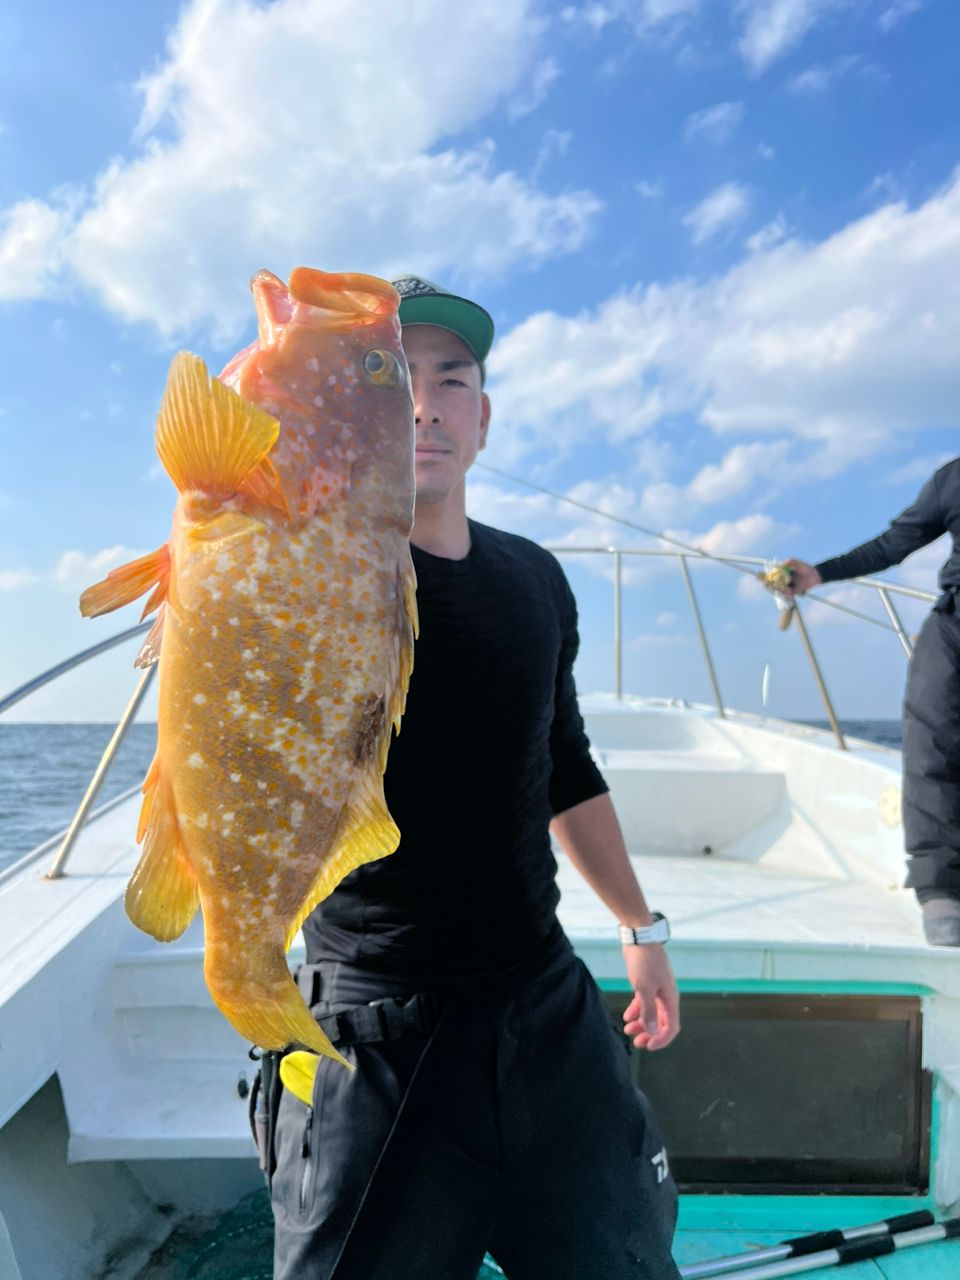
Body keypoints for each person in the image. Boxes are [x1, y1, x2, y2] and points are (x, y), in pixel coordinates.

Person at [269, 277, 683, 1280]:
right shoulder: (302, 573)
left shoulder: (535, 578)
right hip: (373, 1033)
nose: (421, 404)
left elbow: (567, 766)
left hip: (543, 1005)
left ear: (483, 417)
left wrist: (641, 927)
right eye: (388, 378)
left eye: (449, 380)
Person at [783, 458, 960, 947]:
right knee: (931, 745)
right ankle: (940, 890)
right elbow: (894, 544)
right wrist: (819, 573)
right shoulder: (953, 478)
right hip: (954, 624)